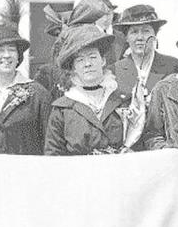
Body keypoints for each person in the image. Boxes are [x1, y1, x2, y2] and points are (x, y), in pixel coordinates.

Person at [45, 24, 144, 155]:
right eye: (80, 60)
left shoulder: (124, 100)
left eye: (92, 57)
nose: (87, 64)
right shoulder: (63, 109)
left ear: (102, 61)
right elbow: (53, 153)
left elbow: (140, 141)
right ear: (74, 67)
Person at [0, 25, 51, 154]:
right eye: (0, 50)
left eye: (11, 50)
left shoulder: (38, 94)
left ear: (18, 57)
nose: (6, 55)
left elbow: (50, 143)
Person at [111, 4, 178, 101]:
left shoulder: (173, 66)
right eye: (134, 32)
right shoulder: (115, 70)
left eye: (146, 31)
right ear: (126, 38)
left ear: (155, 35)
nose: (140, 37)